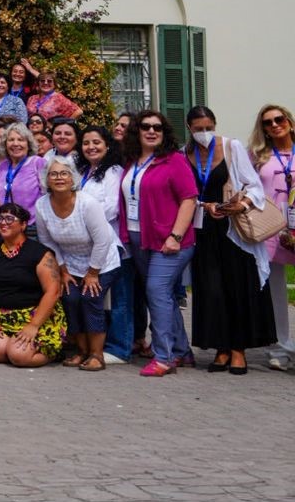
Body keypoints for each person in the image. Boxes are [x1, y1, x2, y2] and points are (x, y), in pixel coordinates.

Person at [183, 106, 275, 375]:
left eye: (208, 127)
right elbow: (186, 194)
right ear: (189, 129)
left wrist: (243, 204)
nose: (204, 133)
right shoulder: (184, 154)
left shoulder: (231, 148)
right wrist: (204, 205)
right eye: (198, 129)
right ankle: (220, 346)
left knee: (237, 289)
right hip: (204, 230)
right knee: (212, 291)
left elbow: (254, 185)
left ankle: (238, 349)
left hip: (234, 232)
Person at [119, 110, 198, 376]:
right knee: (162, 295)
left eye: (158, 127)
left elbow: (189, 198)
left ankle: (164, 356)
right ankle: (182, 351)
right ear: (137, 131)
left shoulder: (173, 160)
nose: (151, 131)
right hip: (139, 237)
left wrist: (175, 236)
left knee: (156, 291)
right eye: (145, 127)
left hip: (171, 240)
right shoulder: (132, 161)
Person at [33, 153, 121, 371]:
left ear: (73, 178)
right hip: (70, 262)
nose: (59, 178)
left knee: (90, 297)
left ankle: (96, 355)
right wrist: (62, 271)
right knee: (70, 298)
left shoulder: (87, 203)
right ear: (47, 179)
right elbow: (47, 242)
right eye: (54, 174)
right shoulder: (42, 205)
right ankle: (81, 351)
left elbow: (103, 240)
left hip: (102, 260)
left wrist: (92, 273)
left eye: (64, 173)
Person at [0, 203, 66, 368]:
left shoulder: (40, 253)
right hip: (3, 316)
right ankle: (11, 346)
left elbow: (53, 291)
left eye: (9, 219)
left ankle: (53, 352)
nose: (3, 223)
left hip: (36, 316)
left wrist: (33, 325)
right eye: (0, 218)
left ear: (23, 225)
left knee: (19, 356)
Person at [75, 124, 131, 365]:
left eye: (96, 142)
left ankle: (120, 348)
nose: (91, 147)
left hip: (111, 243)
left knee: (120, 299)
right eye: (86, 143)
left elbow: (111, 207)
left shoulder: (113, 171)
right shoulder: (84, 170)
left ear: (107, 145)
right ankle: (96, 344)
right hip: (86, 245)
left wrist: (82, 221)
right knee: (96, 298)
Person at [249, 102, 295, 369]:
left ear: (288, 121)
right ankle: (279, 348)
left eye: (279, 119)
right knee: (274, 290)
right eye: (268, 122)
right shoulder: (258, 156)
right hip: (271, 227)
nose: (275, 125)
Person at [0, 122, 45, 232]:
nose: (15, 143)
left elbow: (48, 195)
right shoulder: (3, 166)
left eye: (21, 140)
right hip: (6, 226)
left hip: (31, 226)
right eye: (11, 140)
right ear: (5, 144)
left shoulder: (38, 162)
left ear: (28, 144)